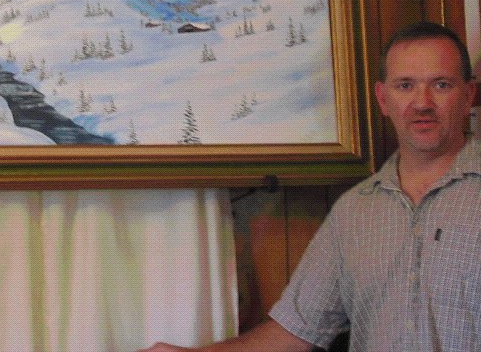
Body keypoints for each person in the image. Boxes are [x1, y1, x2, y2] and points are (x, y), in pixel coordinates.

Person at [138, 21, 480, 352]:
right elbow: (295, 331)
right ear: (382, 98)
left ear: (468, 95)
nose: (422, 103)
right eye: (405, 86)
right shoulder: (354, 212)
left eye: (441, 85)